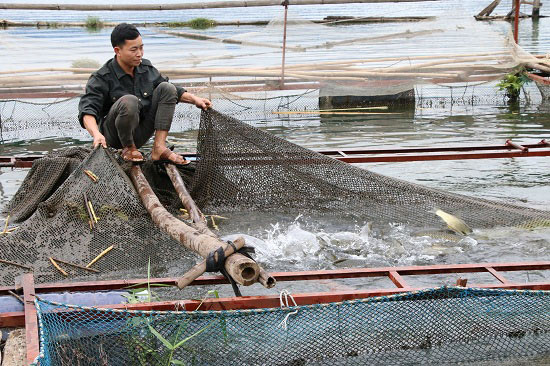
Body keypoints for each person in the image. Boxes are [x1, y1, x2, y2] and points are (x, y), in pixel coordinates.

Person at [78, 23, 211, 164]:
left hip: (141, 131)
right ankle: (128, 148)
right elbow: (87, 110)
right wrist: (96, 134)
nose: (139, 54)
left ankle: (159, 147)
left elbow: (173, 92)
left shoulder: (146, 68)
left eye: (141, 47)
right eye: (134, 49)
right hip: (114, 137)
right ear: (118, 50)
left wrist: (195, 99)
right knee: (129, 101)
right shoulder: (101, 77)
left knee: (167, 88)